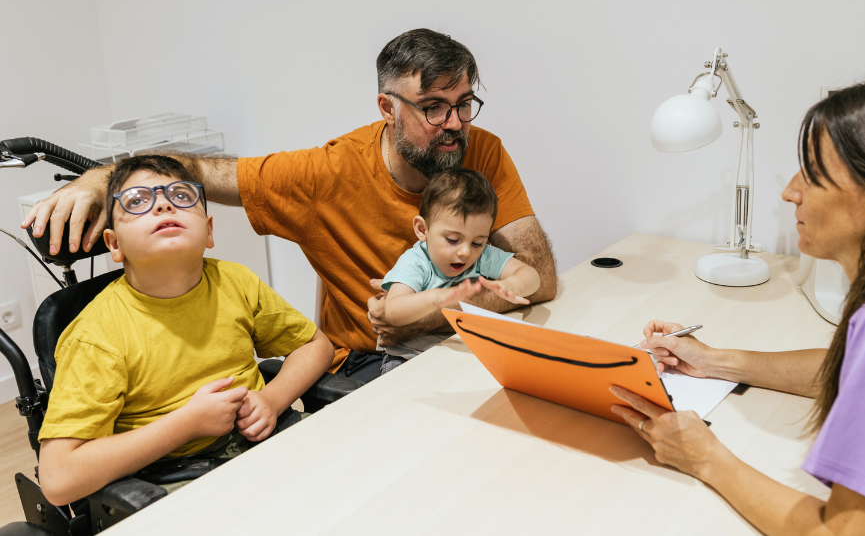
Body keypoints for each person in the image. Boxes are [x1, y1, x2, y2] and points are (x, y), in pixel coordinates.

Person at [22, 28, 557, 385]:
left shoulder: (480, 150)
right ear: (386, 108)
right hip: (373, 368)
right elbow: (207, 171)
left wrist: (440, 313)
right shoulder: (324, 174)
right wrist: (100, 178)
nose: (456, 124)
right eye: (434, 108)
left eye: (464, 103)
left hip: (464, 350)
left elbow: (541, 277)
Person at [611, 77, 865, 535]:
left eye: (813, 175)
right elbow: (852, 373)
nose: (790, 192)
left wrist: (707, 458)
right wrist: (713, 360)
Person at [37, 156, 333, 506]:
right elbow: (58, 479)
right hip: (173, 478)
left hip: (264, 444)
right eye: (137, 201)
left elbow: (315, 346)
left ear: (208, 231)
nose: (163, 203)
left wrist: (272, 398)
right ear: (114, 245)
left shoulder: (234, 281)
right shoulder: (96, 337)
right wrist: (187, 424)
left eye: (180, 195)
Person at [379, 168, 540, 373]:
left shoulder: (481, 256)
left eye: (477, 242)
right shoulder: (416, 262)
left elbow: (532, 276)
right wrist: (436, 298)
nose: (465, 251)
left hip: (462, 351)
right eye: (453, 240)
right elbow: (393, 312)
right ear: (422, 229)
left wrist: (511, 285)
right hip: (408, 358)